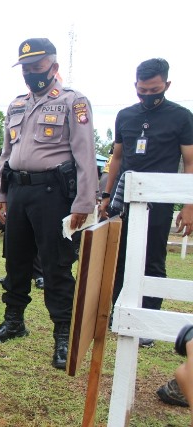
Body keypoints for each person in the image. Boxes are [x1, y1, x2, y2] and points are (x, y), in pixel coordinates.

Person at [0, 38, 98, 370]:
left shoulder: (72, 102)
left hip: (54, 195)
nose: (32, 74)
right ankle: (14, 321)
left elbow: (85, 155)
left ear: (53, 67)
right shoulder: (16, 105)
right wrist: (1, 194)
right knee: (16, 262)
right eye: (26, 69)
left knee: (56, 266)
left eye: (37, 67)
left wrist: (84, 202)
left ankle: (64, 336)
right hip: (19, 191)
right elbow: (7, 153)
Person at [99, 58, 193, 348]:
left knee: (152, 259)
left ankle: (148, 321)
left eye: (154, 89)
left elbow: (190, 162)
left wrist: (189, 205)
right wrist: (105, 195)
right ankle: (117, 313)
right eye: (142, 90)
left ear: (166, 84)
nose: (148, 95)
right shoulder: (125, 115)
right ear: (135, 86)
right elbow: (116, 157)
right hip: (123, 200)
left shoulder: (181, 116)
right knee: (119, 257)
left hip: (160, 201)